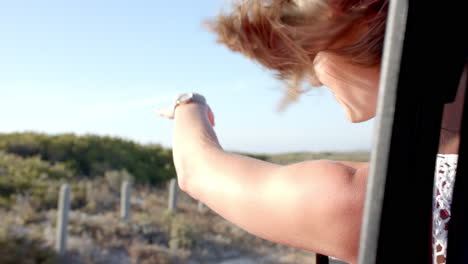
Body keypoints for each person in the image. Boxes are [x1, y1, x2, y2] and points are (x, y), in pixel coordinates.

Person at [156, 1, 466, 263]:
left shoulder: (372, 203)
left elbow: (197, 170)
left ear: (358, 23)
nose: (315, 79)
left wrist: (189, 104)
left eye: (312, 52)